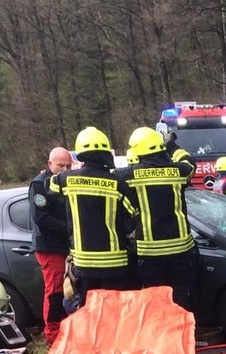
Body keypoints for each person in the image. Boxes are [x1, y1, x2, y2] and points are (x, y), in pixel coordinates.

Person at [117, 126, 198, 312]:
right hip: (181, 250)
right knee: (180, 301)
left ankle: (162, 339)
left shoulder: (129, 175)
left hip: (150, 253)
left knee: (156, 303)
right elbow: (190, 162)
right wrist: (172, 146)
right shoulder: (180, 171)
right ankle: (182, 338)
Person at [49, 126, 136, 297]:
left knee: (88, 312)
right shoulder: (117, 183)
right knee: (114, 311)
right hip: (115, 263)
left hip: (84, 264)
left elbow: (50, 185)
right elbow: (132, 215)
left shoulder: (66, 180)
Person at [29, 146, 73, 343]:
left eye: (68, 166)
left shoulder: (69, 182)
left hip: (67, 245)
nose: (64, 169)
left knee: (70, 290)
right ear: (49, 164)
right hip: (50, 246)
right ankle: (53, 333)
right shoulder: (39, 185)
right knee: (55, 291)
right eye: (60, 165)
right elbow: (42, 218)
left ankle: (67, 329)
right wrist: (72, 229)